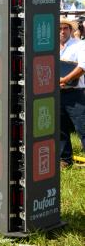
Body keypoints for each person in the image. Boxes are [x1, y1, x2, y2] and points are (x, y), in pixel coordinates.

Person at [58, 18, 85, 169]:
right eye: (59, 28)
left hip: (75, 94)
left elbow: (83, 67)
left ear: (70, 30)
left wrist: (65, 79)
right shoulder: (50, 47)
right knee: (60, 128)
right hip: (57, 94)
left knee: (83, 127)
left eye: (65, 28)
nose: (62, 31)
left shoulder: (80, 45)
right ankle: (65, 160)